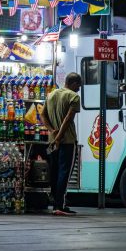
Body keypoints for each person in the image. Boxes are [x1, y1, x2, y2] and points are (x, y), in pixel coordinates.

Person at [42, 72, 82, 216]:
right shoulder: (73, 96)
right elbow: (68, 119)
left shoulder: (51, 95)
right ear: (74, 84)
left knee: (54, 172)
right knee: (64, 173)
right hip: (67, 141)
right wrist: (59, 137)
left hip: (52, 141)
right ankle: (60, 205)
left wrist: (52, 131)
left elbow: (42, 115)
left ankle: (55, 204)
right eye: (79, 86)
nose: (79, 89)